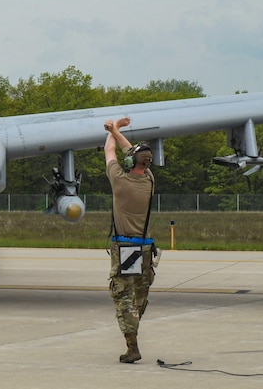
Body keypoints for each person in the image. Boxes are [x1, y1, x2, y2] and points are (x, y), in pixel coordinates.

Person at [103, 116, 156, 363]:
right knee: (138, 297)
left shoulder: (119, 181)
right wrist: (117, 129)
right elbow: (131, 152)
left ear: (130, 161)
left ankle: (132, 346)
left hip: (124, 247)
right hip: (144, 249)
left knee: (123, 297)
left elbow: (109, 149)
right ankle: (133, 333)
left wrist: (112, 131)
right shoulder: (149, 181)